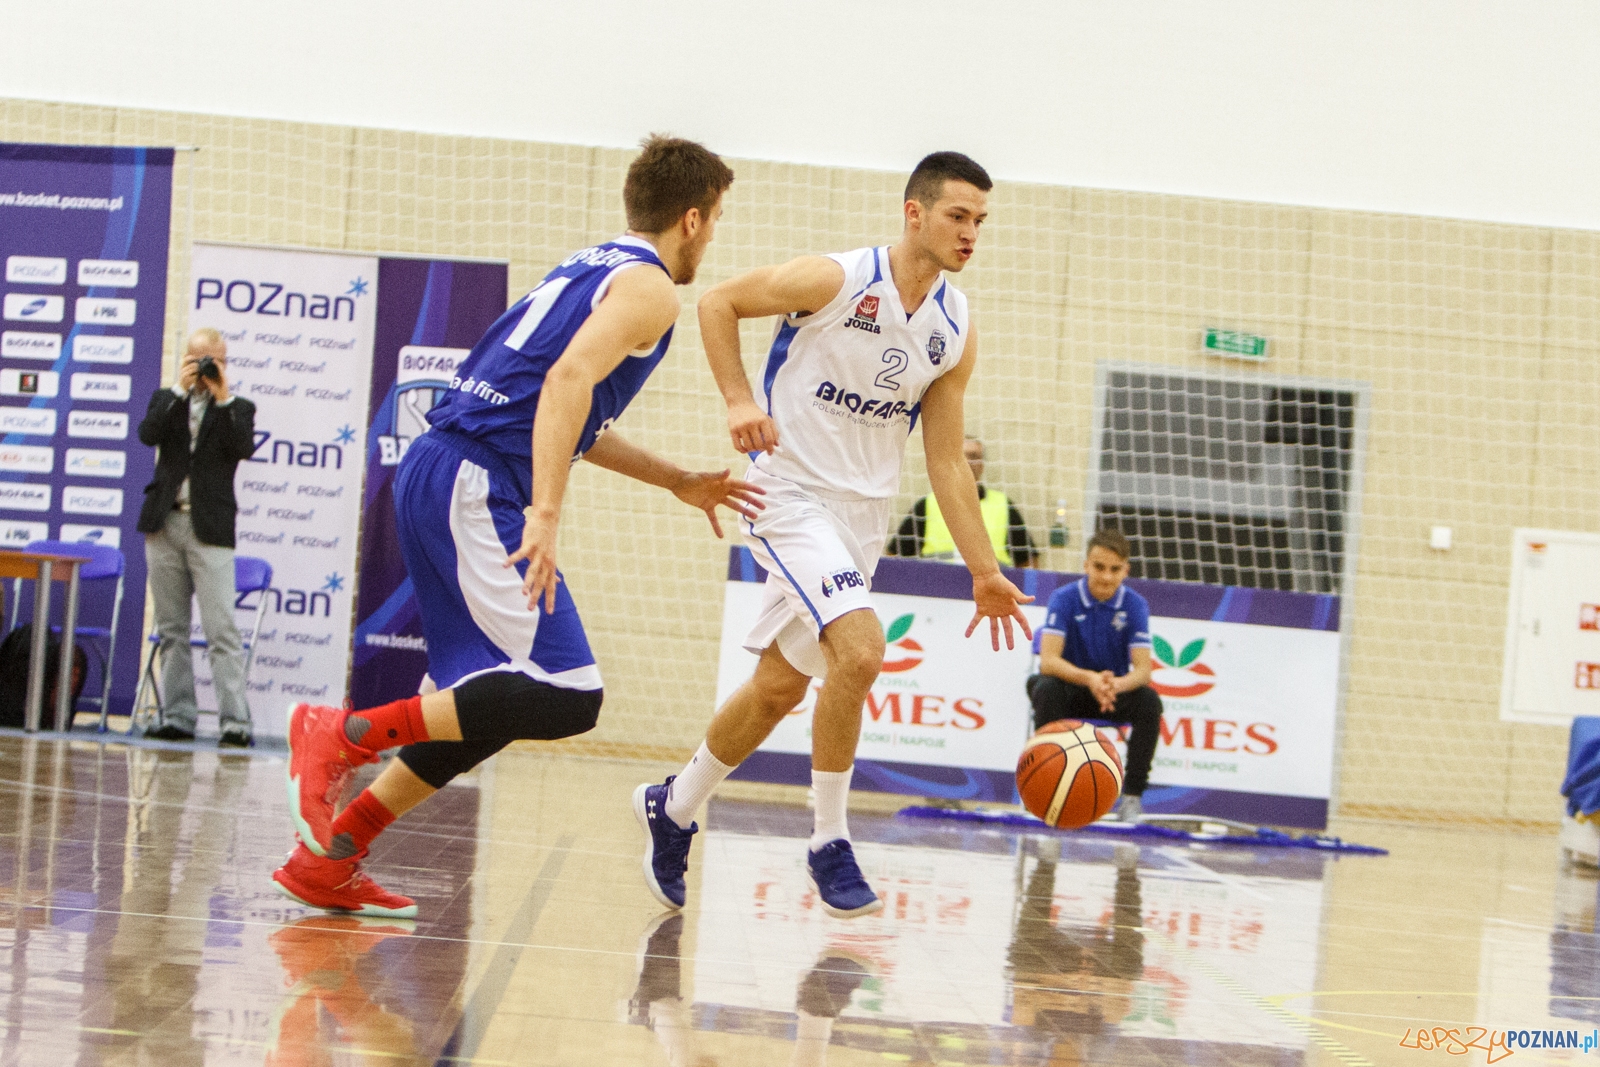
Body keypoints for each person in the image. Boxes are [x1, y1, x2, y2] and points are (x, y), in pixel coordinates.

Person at [273, 135, 755, 919]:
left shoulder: (586, 265)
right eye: (719, 218)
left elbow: (570, 412)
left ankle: (331, 857)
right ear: (693, 219)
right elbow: (565, 382)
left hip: (443, 469)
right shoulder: (654, 290)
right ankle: (338, 731)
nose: (715, 234)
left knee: (484, 705)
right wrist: (545, 512)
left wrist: (676, 480)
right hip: (477, 482)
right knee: (566, 692)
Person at [635, 151, 1033, 918]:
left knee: (781, 685)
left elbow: (946, 460)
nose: (971, 233)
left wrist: (983, 568)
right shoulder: (837, 279)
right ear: (913, 212)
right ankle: (829, 837)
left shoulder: (954, 328)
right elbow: (716, 301)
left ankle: (673, 805)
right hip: (787, 492)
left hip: (862, 518)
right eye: (958, 215)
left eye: (980, 221)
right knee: (860, 648)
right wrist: (735, 400)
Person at [136, 327, 258, 746]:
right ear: (186, 358)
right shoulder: (166, 400)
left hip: (210, 528)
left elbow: (244, 447)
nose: (207, 366)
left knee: (221, 629)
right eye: (200, 359)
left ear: (225, 361)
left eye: (215, 360)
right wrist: (178, 387)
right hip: (164, 522)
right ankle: (179, 715)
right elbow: (147, 434)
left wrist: (222, 396)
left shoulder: (238, 407)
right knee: (171, 628)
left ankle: (235, 723)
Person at [1027, 527, 1161, 822]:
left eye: (1115, 569)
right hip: (1070, 692)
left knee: (1149, 701)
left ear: (1126, 570)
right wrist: (1090, 679)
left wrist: (1115, 684)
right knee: (1044, 686)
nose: (1106, 576)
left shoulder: (1135, 604)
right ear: (1086, 565)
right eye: (1099, 567)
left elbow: (1144, 670)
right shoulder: (1064, 598)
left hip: (1110, 695)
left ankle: (1132, 799)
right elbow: (1048, 661)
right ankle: (1045, 791)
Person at [887, 436, 1037, 566]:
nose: (968, 462)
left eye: (974, 456)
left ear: (982, 465)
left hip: (989, 592)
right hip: (936, 593)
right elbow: (894, 554)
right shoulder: (927, 505)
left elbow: (1028, 560)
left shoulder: (1003, 505)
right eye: (962, 456)